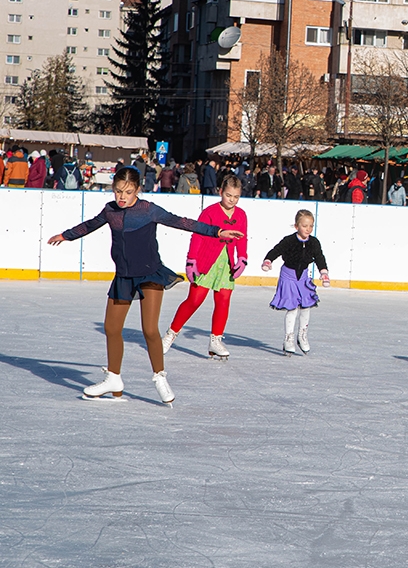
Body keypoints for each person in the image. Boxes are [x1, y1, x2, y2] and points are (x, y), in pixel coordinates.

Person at [46, 167, 243, 404]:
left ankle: (160, 377)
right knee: (111, 327)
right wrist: (66, 235)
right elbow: (89, 225)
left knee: (150, 329)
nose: (122, 196)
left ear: (137, 190)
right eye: (118, 191)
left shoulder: (148, 210)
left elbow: (182, 222)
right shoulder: (110, 211)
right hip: (124, 276)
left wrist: (217, 231)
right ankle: (113, 378)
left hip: (150, 274)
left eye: (128, 192)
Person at [163, 175, 250, 360]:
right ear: (220, 192)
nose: (232, 200)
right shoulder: (210, 212)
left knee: (224, 299)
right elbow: (197, 236)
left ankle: (215, 340)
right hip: (206, 260)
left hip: (226, 263)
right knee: (195, 300)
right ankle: (171, 334)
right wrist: (191, 260)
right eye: (228, 195)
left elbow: (242, 238)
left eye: (236, 196)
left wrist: (242, 258)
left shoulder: (241, 215)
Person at [262, 209, 330, 355]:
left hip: (303, 277)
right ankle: (288, 338)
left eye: (311, 226)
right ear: (296, 226)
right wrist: (268, 261)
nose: (308, 229)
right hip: (288, 277)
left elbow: (319, 257)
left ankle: (302, 334)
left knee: (306, 306)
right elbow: (276, 250)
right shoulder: (289, 241)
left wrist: (323, 272)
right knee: (292, 308)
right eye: (305, 226)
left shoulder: (314, 242)